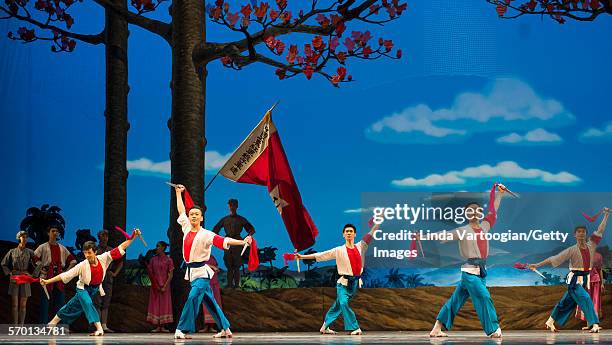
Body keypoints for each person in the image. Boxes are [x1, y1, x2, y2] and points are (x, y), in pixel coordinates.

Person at [173, 184, 252, 339]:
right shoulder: (186, 228)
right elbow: (181, 210)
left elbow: (225, 240)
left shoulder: (207, 234)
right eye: (192, 214)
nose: (193, 216)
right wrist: (178, 193)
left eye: (197, 214)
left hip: (202, 273)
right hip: (192, 272)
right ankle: (225, 328)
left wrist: (243, 242)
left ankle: (181, 329)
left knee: (193, 297)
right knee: (210, 301)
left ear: (201, 218)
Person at [429, 183, 505, 338]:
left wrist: (500, 193)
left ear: (480, 212)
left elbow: (494, 209)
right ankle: (493, 330)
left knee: (455, 301)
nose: (473, 212)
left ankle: (436, 328)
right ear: (466, 214)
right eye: (469, 211)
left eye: (476, 209)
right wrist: (423, 237)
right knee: (484, 297)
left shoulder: (485, 226)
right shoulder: (462, 230)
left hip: (481, 272)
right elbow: (444, 235)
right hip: (470, 272)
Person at [41, 230, 141, 336]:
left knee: (71, 306)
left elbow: (121, 247)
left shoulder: (104, 258)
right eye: (85, 253)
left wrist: (133, 238)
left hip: (94, 289)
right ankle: (99, 328)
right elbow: (65, 275)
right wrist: (47, 281)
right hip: (83, 288)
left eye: (89, 253)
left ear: (95, 252)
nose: (87, 256)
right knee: (88, 303)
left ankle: (51, 324)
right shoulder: (82, 265)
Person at [530, 207, 609, 333]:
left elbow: (600, 230)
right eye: (579, 231)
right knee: (586, 298)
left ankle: (550, 321)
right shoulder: (571, 250)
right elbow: (553, 259)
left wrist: (605, 216)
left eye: (583, 231)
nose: (581, 233)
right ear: (575, 234)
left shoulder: (591, 245)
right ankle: (594, 324)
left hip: (584, 278)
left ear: (586, 234)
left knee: (565, 302)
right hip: (574, 280)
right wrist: (537, 265)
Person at [296, 222, 379, 335]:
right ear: (343, 235)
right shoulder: (339, 250)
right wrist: (302, 257)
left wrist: (379, 221)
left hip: (354, 282)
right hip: (343, 283)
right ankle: (355, 327)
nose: (349, 233)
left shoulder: (361, 246)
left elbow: (371, 232)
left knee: (338, 305)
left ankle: (325, 326)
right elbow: (321, 255)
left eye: (351, 231)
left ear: (355, 234)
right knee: (344, 303)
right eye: (347, 232)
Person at [34, 225, 77, 323]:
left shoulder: (62, 248)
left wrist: (66, 271)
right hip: (46, 276)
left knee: (60, 303)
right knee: (44, 303)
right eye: (53, 231)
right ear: (48, 233)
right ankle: (43, 326)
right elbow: (34, 257)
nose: (55, 233)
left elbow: (73, 260)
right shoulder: (43, 246)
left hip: (59, 276)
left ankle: (61, 326)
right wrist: (41, 268)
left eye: (57, 231)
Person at [213, 198, 255, 289]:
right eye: (230, 205)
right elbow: (215, 230)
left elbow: (251, 230)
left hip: (238, 244)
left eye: (234, 205)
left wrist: (246, 238)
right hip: (227, 243)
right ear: (228, 206)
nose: (232, 207)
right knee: (229, 266)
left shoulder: (241, 219)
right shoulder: (224, 220)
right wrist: (221, 240)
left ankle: (236, 286)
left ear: (237, 206)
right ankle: (229, 285)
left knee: (236, 266)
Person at [1, 231, 39, 325]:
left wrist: (33, 275)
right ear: (19, 238)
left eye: (26, 237)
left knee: (23, 305)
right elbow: (3, 264)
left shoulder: (30, 252)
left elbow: (39, 263)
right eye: (23, 237)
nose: (25, 239)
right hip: (15, 278)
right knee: (14, 305)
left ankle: (21, 326)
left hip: (25, 278)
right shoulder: (12, 251)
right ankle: (15, 326)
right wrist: (9, 273)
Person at [94, 229, 123, 333]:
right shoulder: (95, 249)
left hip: (108, 276)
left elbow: (120, 262)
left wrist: (115, 273)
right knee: (97, 301)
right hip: (97, 276)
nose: (104, 238)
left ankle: (104, 325)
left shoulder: (111, 250)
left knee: (106, 301)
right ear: (99, 237)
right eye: (102, 236)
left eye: (106, 236)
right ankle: (97, 326)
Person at [146, 241, 174, 332]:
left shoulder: (168, 260)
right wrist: (155, 285)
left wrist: (165, 286)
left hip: (165, 286)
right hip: (155, 287)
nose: (156, 248)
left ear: (163, 248)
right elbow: (151, 273)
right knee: (156, 305)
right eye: (156, 246)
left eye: (158, 246)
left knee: (164, 305)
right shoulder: (153, 260)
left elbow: (170, 274)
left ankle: (163, 326)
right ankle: (158, 326)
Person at [576, 250, 604, 328]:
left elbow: (600, 269)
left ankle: (595, 324)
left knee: (595, 302)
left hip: (595, 281)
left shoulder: (598, 255)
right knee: (586, 302)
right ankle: (589, 324)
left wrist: (602, 283)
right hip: (585, 281)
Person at [199, 254, 223, 333]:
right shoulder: (201, 257)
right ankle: (206, 326)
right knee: (206, 304)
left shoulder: (212, 257)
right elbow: (200, 265)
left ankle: (212, 326)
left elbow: (216, 266)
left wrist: (216, 269)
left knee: (214, 303)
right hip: (206, 282)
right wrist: (212, 267)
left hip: (214, 282)